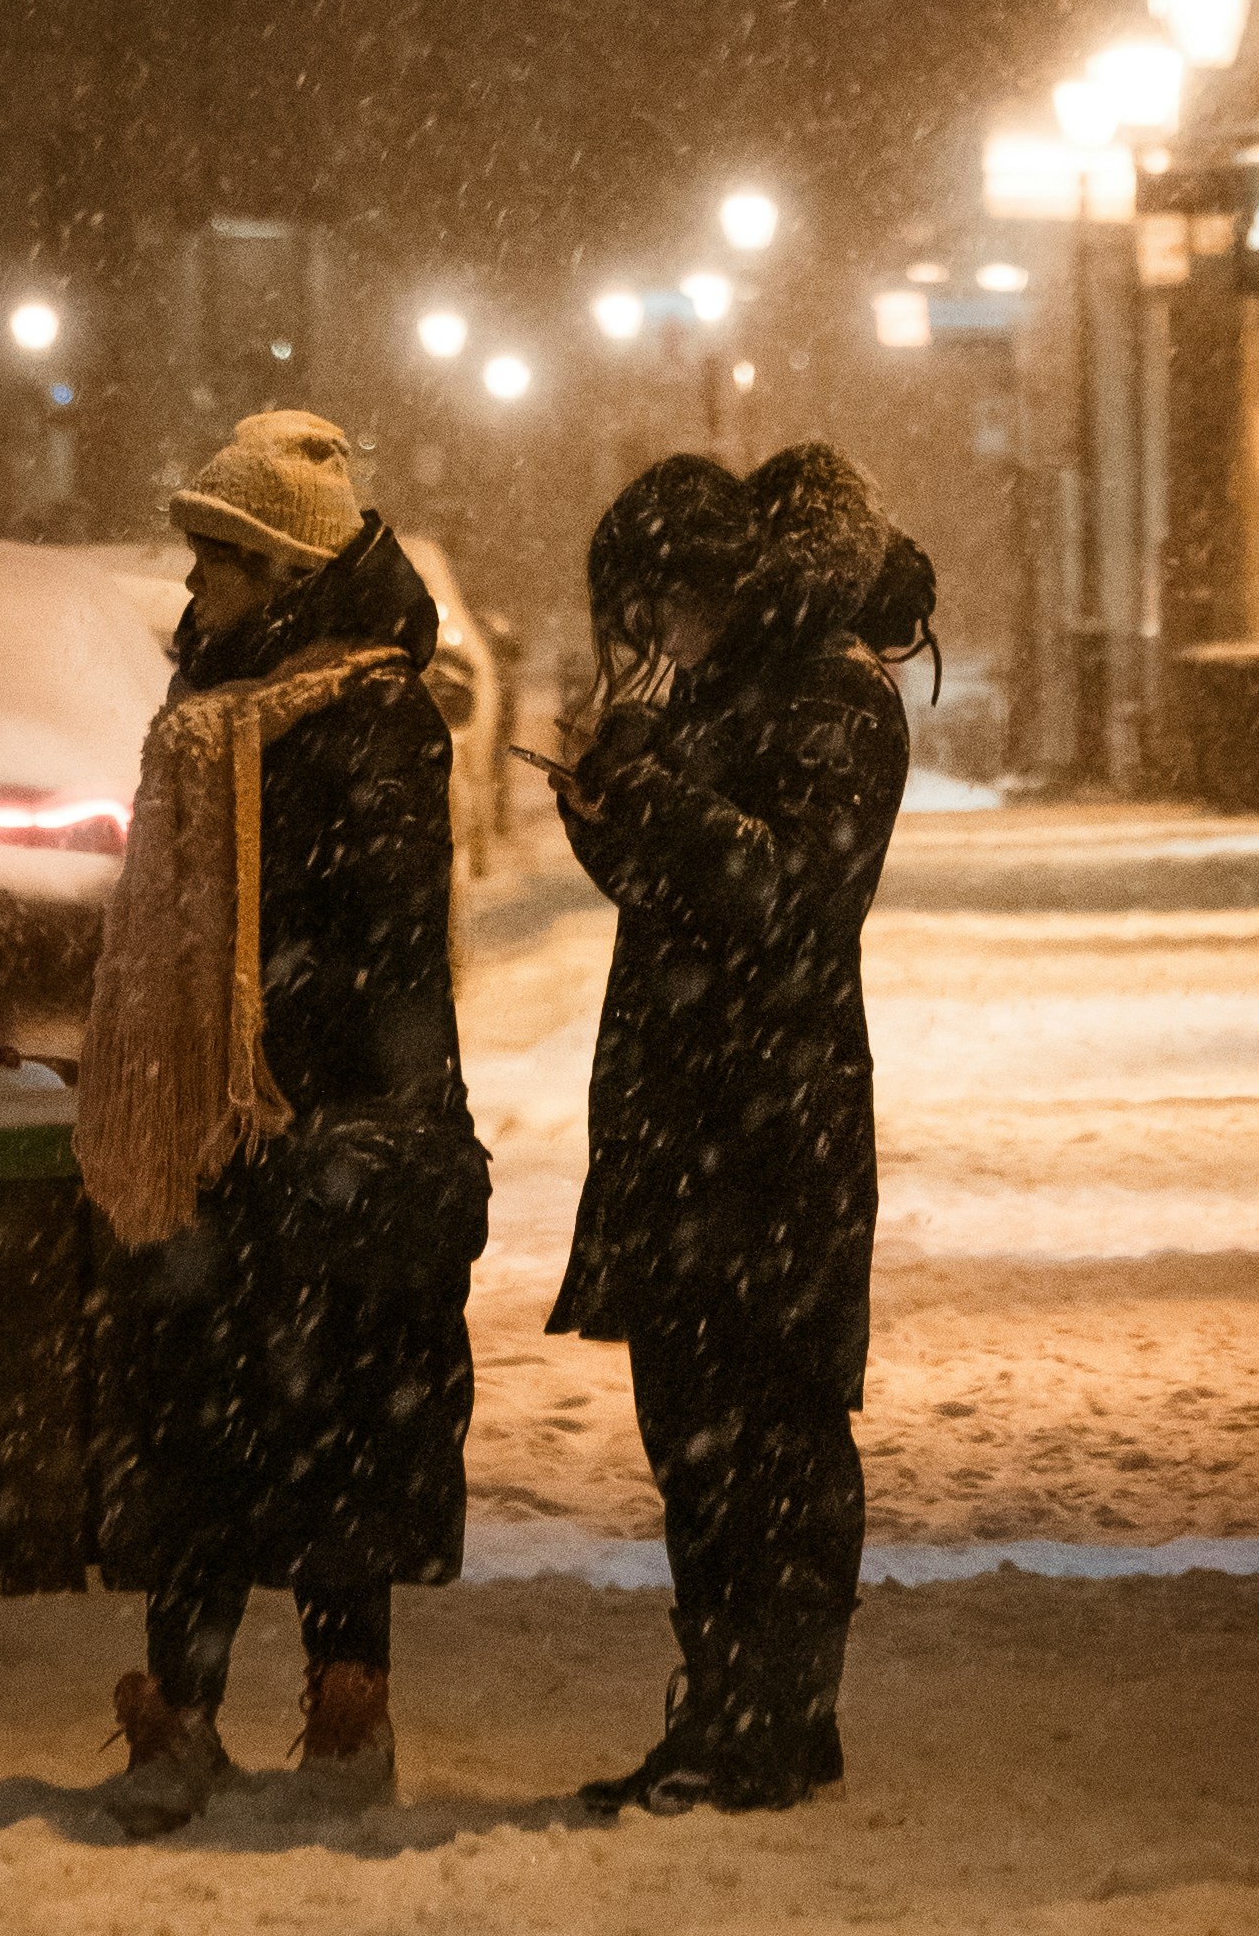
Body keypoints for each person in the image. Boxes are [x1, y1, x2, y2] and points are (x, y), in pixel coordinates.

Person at [77, 406, 483, 1833]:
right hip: (210, 1139)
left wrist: (360, 1123)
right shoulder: (214, 720)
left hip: (321, 1135)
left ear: (288, 572)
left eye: (221, 565)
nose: (196, 593)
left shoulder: (371, 720)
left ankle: (345, 1719)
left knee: (337, 1431)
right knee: (196, 1430)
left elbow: (390, 953)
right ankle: (179, 1716)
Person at [551, 438, 930, 1817]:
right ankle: (718, 1709)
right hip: (686, 1120)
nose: (649, 643)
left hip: (773, 1134)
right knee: (694, 1440)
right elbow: (674, 885)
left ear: (712, 584)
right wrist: (609, 797)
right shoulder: (733, 691)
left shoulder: (839, 696)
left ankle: (778, 1719)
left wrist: (649, 789)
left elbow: (781, 894)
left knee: (775, 1434)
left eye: (656, 611)